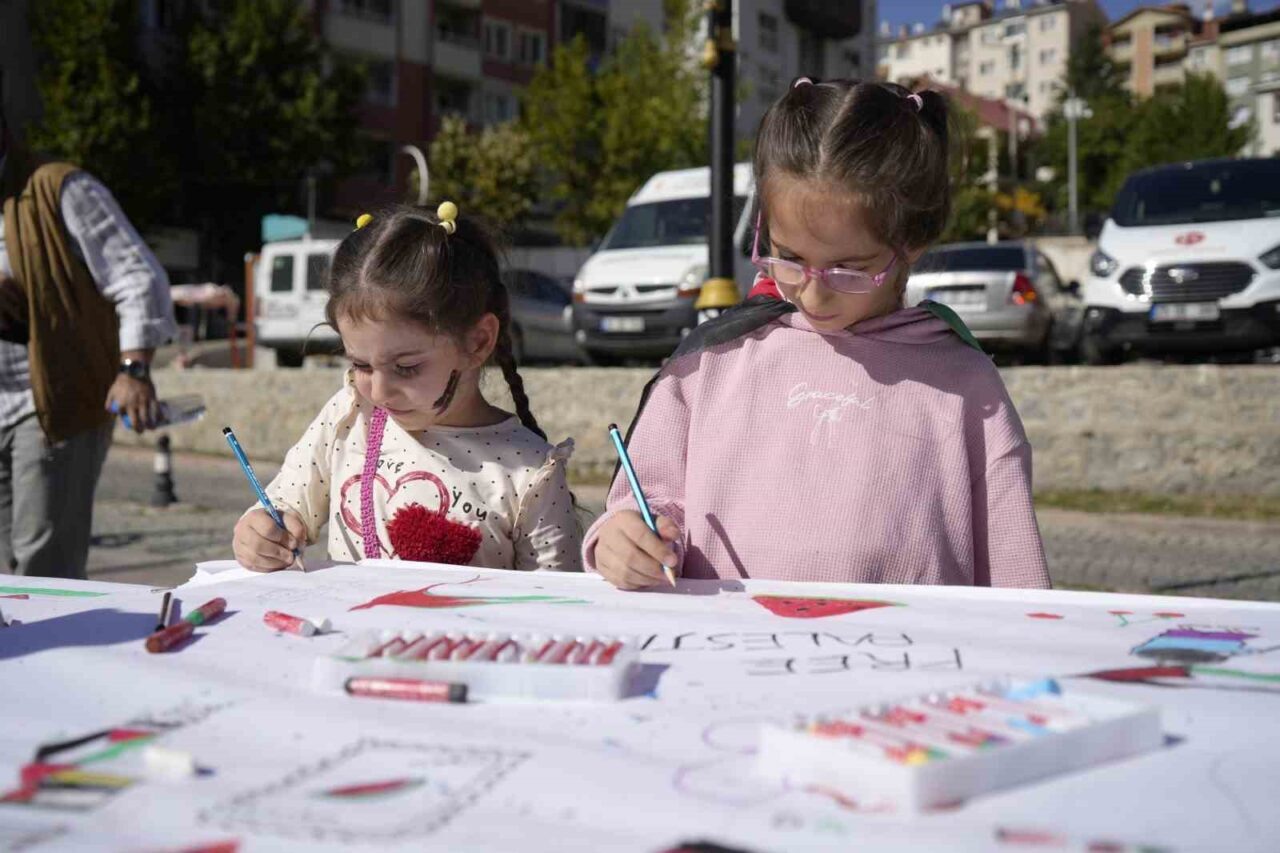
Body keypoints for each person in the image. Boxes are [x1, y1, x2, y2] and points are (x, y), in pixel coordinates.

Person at [585, 79, 1050, 591]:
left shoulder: (967, 388)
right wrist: (624, 539)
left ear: (913, 239)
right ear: (762, 228)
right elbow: (641, 508)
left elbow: (1016, 589)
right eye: (788, 257)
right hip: (725, 642)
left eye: (849, 268)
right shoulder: (707, 366)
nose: (813, 293)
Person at [232, 203, 580, 571]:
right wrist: (261, 533)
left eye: (406, 367)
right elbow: (284, 504)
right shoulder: (349, 417)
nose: (379, 392)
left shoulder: (529, 471)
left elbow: (557, 597)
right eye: (361, 365)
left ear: (477, 342)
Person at [0, 103, 176, 579]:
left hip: (50, 406)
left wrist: (134, 369)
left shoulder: (58, 189)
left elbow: (139, 278)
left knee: (43, 565)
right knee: (9, 573)